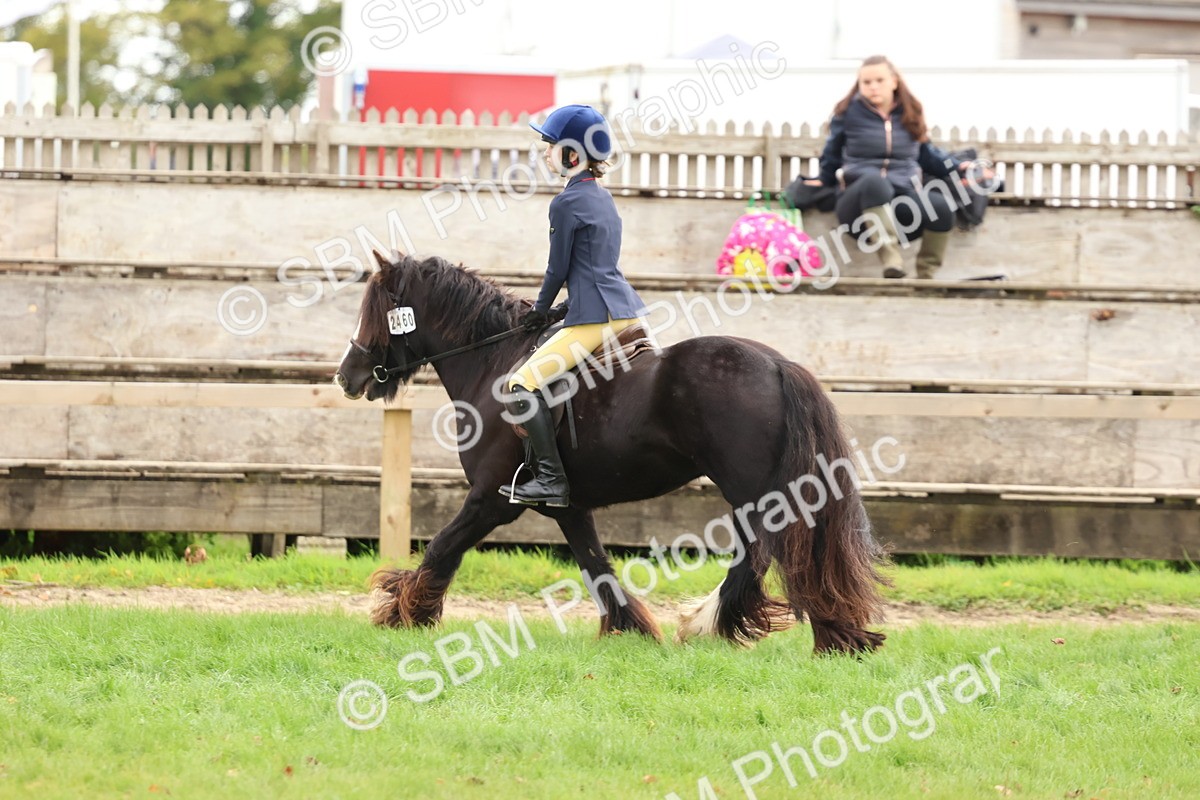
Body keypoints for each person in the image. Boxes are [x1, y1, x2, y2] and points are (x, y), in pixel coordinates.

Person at [499, 104, 645, 508]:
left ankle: (551, 481)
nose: (545, 153)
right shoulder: (604, 197)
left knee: (521, 384)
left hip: (595, 320)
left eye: (550, 146)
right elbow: (594, 265)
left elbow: (557, 268)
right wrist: (566, 306)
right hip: (624, 311)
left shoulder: (564, 204)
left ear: (571, 154)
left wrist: (540, 310)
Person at [804, 55, 989, 279]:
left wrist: (960, 168)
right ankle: (892, 262)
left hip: (902, 206)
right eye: (866, 82)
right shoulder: (847, 114)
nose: (873, 87)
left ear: (894, 81)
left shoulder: (910, 113)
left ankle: (926, 276)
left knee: (941, 207)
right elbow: (831, 154)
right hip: (858, 208)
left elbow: (927, 155)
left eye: (879, 80)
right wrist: (823, 179)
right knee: (875, 183)